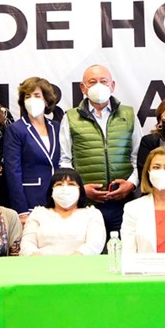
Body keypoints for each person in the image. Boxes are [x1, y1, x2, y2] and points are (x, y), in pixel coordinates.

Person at [59, 64, 140, 236]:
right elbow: (64, 160)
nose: (98, 86)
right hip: (86, 205)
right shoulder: (70, 117)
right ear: (83, 87)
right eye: (92, 82)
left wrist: (131, 184)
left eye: (103, 81)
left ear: (112, 85)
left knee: (123, 248)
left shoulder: (129, 115)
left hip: (124, 204)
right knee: (88, 250)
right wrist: (79, 189)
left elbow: (137, 157)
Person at [3, 77, 61, 219]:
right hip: (30, 201)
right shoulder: (16, 129)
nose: (31, 100)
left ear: (46, 100)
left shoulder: (56, 127)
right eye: (27, 96)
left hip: (58, 201)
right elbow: (13, 172)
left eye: (37, 95)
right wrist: (21, 210)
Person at [19, 169, 106, 256]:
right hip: (41, 263)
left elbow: (95, 244)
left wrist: (75, 259)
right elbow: (27, 244)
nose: (65, 189)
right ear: (51, 191)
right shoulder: (38, 214)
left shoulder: (92, 214)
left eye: (71, 184)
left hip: (81, 263)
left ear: (80, 190)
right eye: (59, 184)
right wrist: (38, 259)